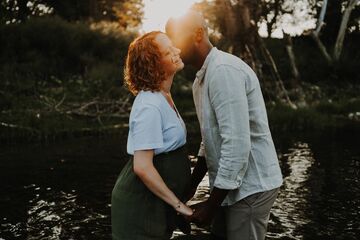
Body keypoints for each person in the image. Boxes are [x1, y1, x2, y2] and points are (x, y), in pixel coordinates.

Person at [165, 11, 283, 240]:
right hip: (228, 187)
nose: (173, 47)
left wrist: (211, 205)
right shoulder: (201, 80)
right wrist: (191, 186)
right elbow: (209, 139)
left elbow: (237, 144)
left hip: (251, 187)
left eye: (175, 37)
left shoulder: (223, 71)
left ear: (198, 34)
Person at [111, 31, 193, 240]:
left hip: (156, 204)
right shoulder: (149, 105)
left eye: (173, 46)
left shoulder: (163, 95)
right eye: (168, 51)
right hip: (140, 207)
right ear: (154, 65)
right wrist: (179, 205)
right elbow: (142, 166)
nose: (178, 51)